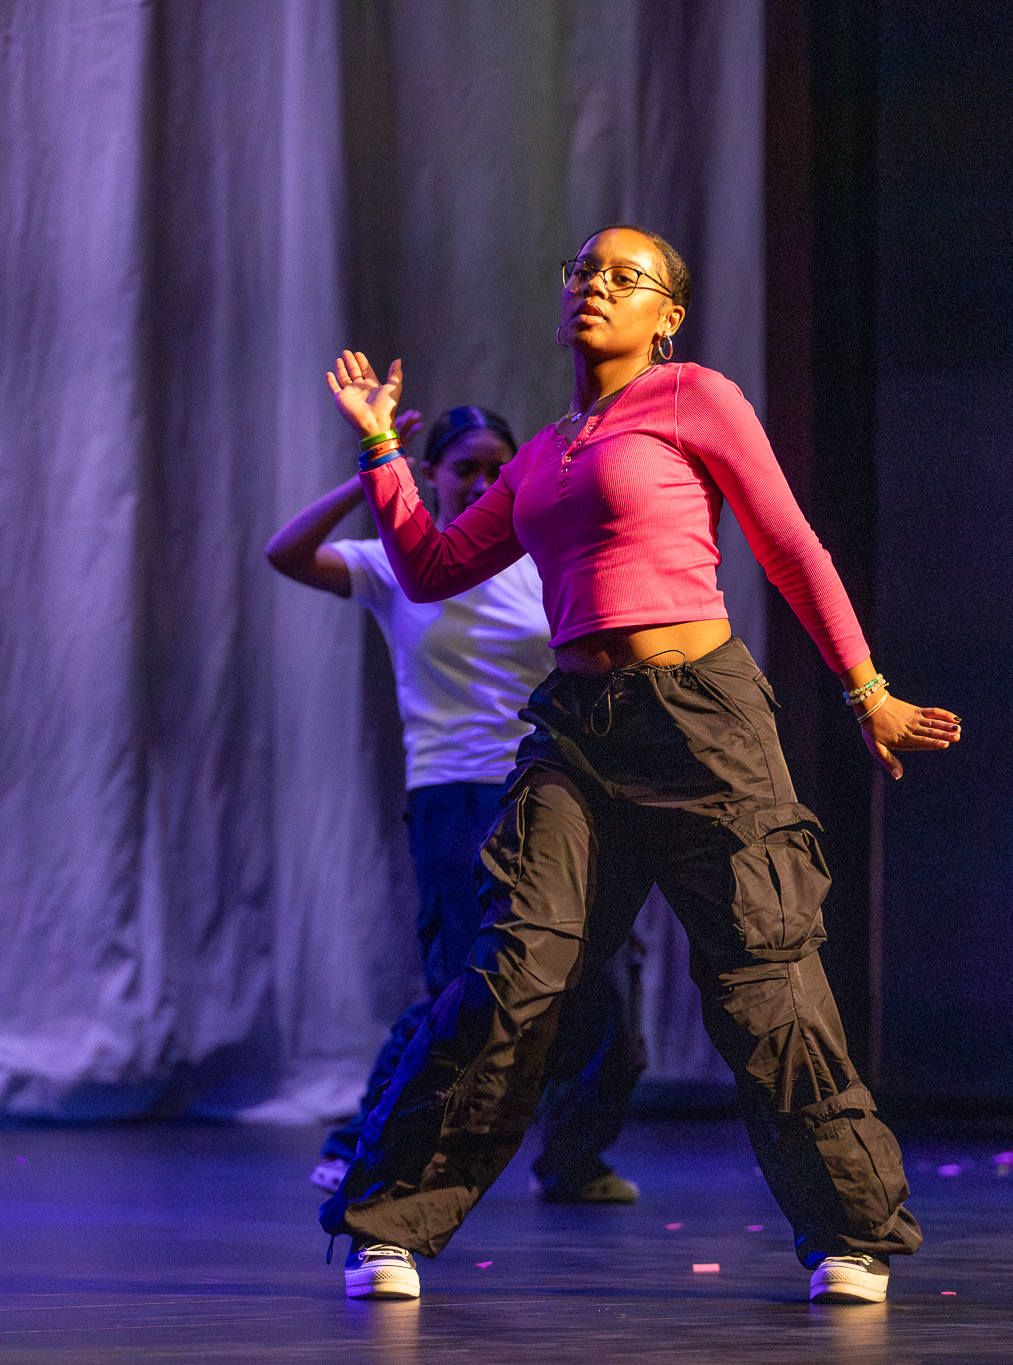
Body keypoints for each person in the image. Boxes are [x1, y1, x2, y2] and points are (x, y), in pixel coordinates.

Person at [319, 225, 962, 1306]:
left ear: (665, 314)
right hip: (578, 727)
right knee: (510, 972)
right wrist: (383, 450)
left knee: (763, 975)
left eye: (626, 277)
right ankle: (392, 1227)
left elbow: (788, 544)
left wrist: (866, 691)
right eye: (582, 270)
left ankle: (850, 1236)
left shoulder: (694, 398)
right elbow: (427, 570)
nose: (596, 287)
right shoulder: (538, 457)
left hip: (701, 719)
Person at [266, 404, 647, 1208]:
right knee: (461, 984)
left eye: (495, 466)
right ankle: (357, 1142)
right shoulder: (397, 563)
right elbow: (285, 552)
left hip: (554, 783)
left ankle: (573, 1157)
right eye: (463, 466)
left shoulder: (537, 559)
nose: (480, 480)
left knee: (601, 981)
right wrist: (374, 469)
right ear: (432, 475)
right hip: (453, 796)